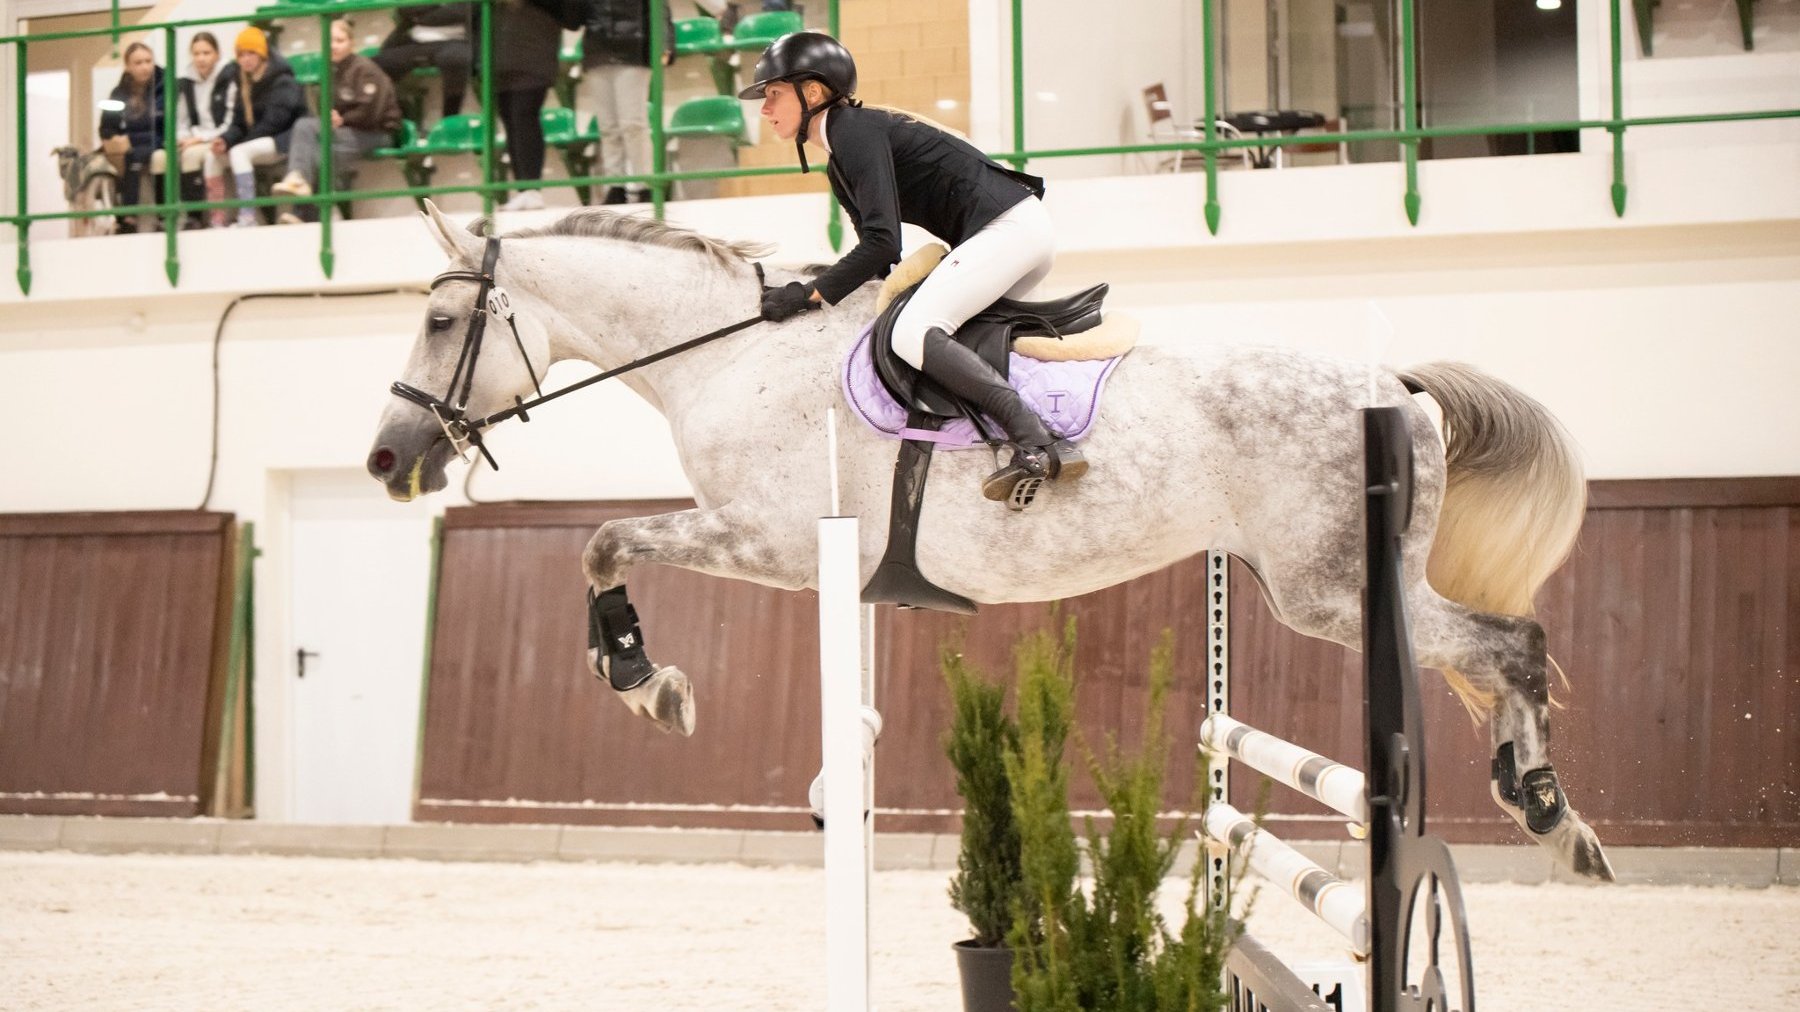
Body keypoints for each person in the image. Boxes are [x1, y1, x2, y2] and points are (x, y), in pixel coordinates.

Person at [741, 32, 1084, 503]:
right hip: (1012, 232)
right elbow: (881, 257)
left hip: (1009, 229)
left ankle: (1038, 442)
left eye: (773, 94)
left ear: (813, 93)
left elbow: (884, 241)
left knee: (912, 331)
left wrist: (810, 293)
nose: (764, 108)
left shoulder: (853, 130)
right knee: (924, 329)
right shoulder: (839, 161)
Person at [271, 20, 402, 223]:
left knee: (306, 128)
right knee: (315, 150)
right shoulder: (331, 71)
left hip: (376, 133)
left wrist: (343, 119)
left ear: (351, 42)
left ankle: (302, 201)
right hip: (347, 132)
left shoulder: (365, 69)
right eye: (329, 40)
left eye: (339, 40)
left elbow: (373, 111)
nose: (333, 45)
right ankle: (305, 207)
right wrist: (333, 118)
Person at [579, 0, 673, 204]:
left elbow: (659, 9)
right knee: (608, 127)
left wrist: (664, 45)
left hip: (634, 50)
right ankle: (615, 184)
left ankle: (645, 184)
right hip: (597, 51)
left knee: (633, 124)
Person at [212, 27, 307, 227]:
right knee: (213, 157)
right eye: (241, 55)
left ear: (262, 54)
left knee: (238, 152)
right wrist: (226, 140)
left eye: (251, 53)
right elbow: (239, 123)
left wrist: (239, 144)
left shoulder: (283, 80)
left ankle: (248, 216)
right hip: (260, 139)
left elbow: (275, 122)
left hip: (285, 140)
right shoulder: (244, 82)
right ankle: (216, 218)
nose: (246, 59)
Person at [492, 0, 566, 211]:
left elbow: (569, 13)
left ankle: (532, 188)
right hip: (501, 54)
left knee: (524, 116)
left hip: (534, 52)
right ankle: (524, 189)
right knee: (510, 121)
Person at [97, 41, 165, 234]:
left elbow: (167, 123)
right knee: (124, 159)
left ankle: (138, 216)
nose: (145, 67)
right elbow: (106, 128)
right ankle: (125, 216)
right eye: (138, 63)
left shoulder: (165, 86)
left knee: (139, 158)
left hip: (158, 140)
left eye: (148, 61)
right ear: (128, 66)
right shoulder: (118, 94)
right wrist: (115, 138)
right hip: (130, 145)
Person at [173, 31, 237, 229]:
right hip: (195, 137)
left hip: (219, 135)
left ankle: (196, 216)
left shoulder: (229, 77)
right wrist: (182, 138)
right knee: (166, 155)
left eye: (206, 53)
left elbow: (230, 121)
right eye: (196, 53)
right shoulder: (186, 82)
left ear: (217, 54)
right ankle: (165, 216)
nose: (201, 58)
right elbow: (181, 120)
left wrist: (199, 138)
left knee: (190, 156)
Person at [373, 3, 473, 121]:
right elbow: (405, 8)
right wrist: (438, 9)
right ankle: (400, 118)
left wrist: (424, 14)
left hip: (457, 42)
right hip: (414, 41)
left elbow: (463, 11)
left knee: (455, 60)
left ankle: (449, 122)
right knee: (376, 64)